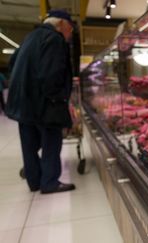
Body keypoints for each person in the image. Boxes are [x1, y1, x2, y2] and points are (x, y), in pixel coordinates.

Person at [5, 10, 76, 194]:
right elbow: (51, 73)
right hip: (45, 102)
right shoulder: (54, 39)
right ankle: (50, 182)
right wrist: (59, 98)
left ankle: (34, 181)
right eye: (70, 28)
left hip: (24, 101)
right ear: (61, 24)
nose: (70, 34)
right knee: (51, 140)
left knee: (28, 144)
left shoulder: (31, 37)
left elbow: (12, 63)